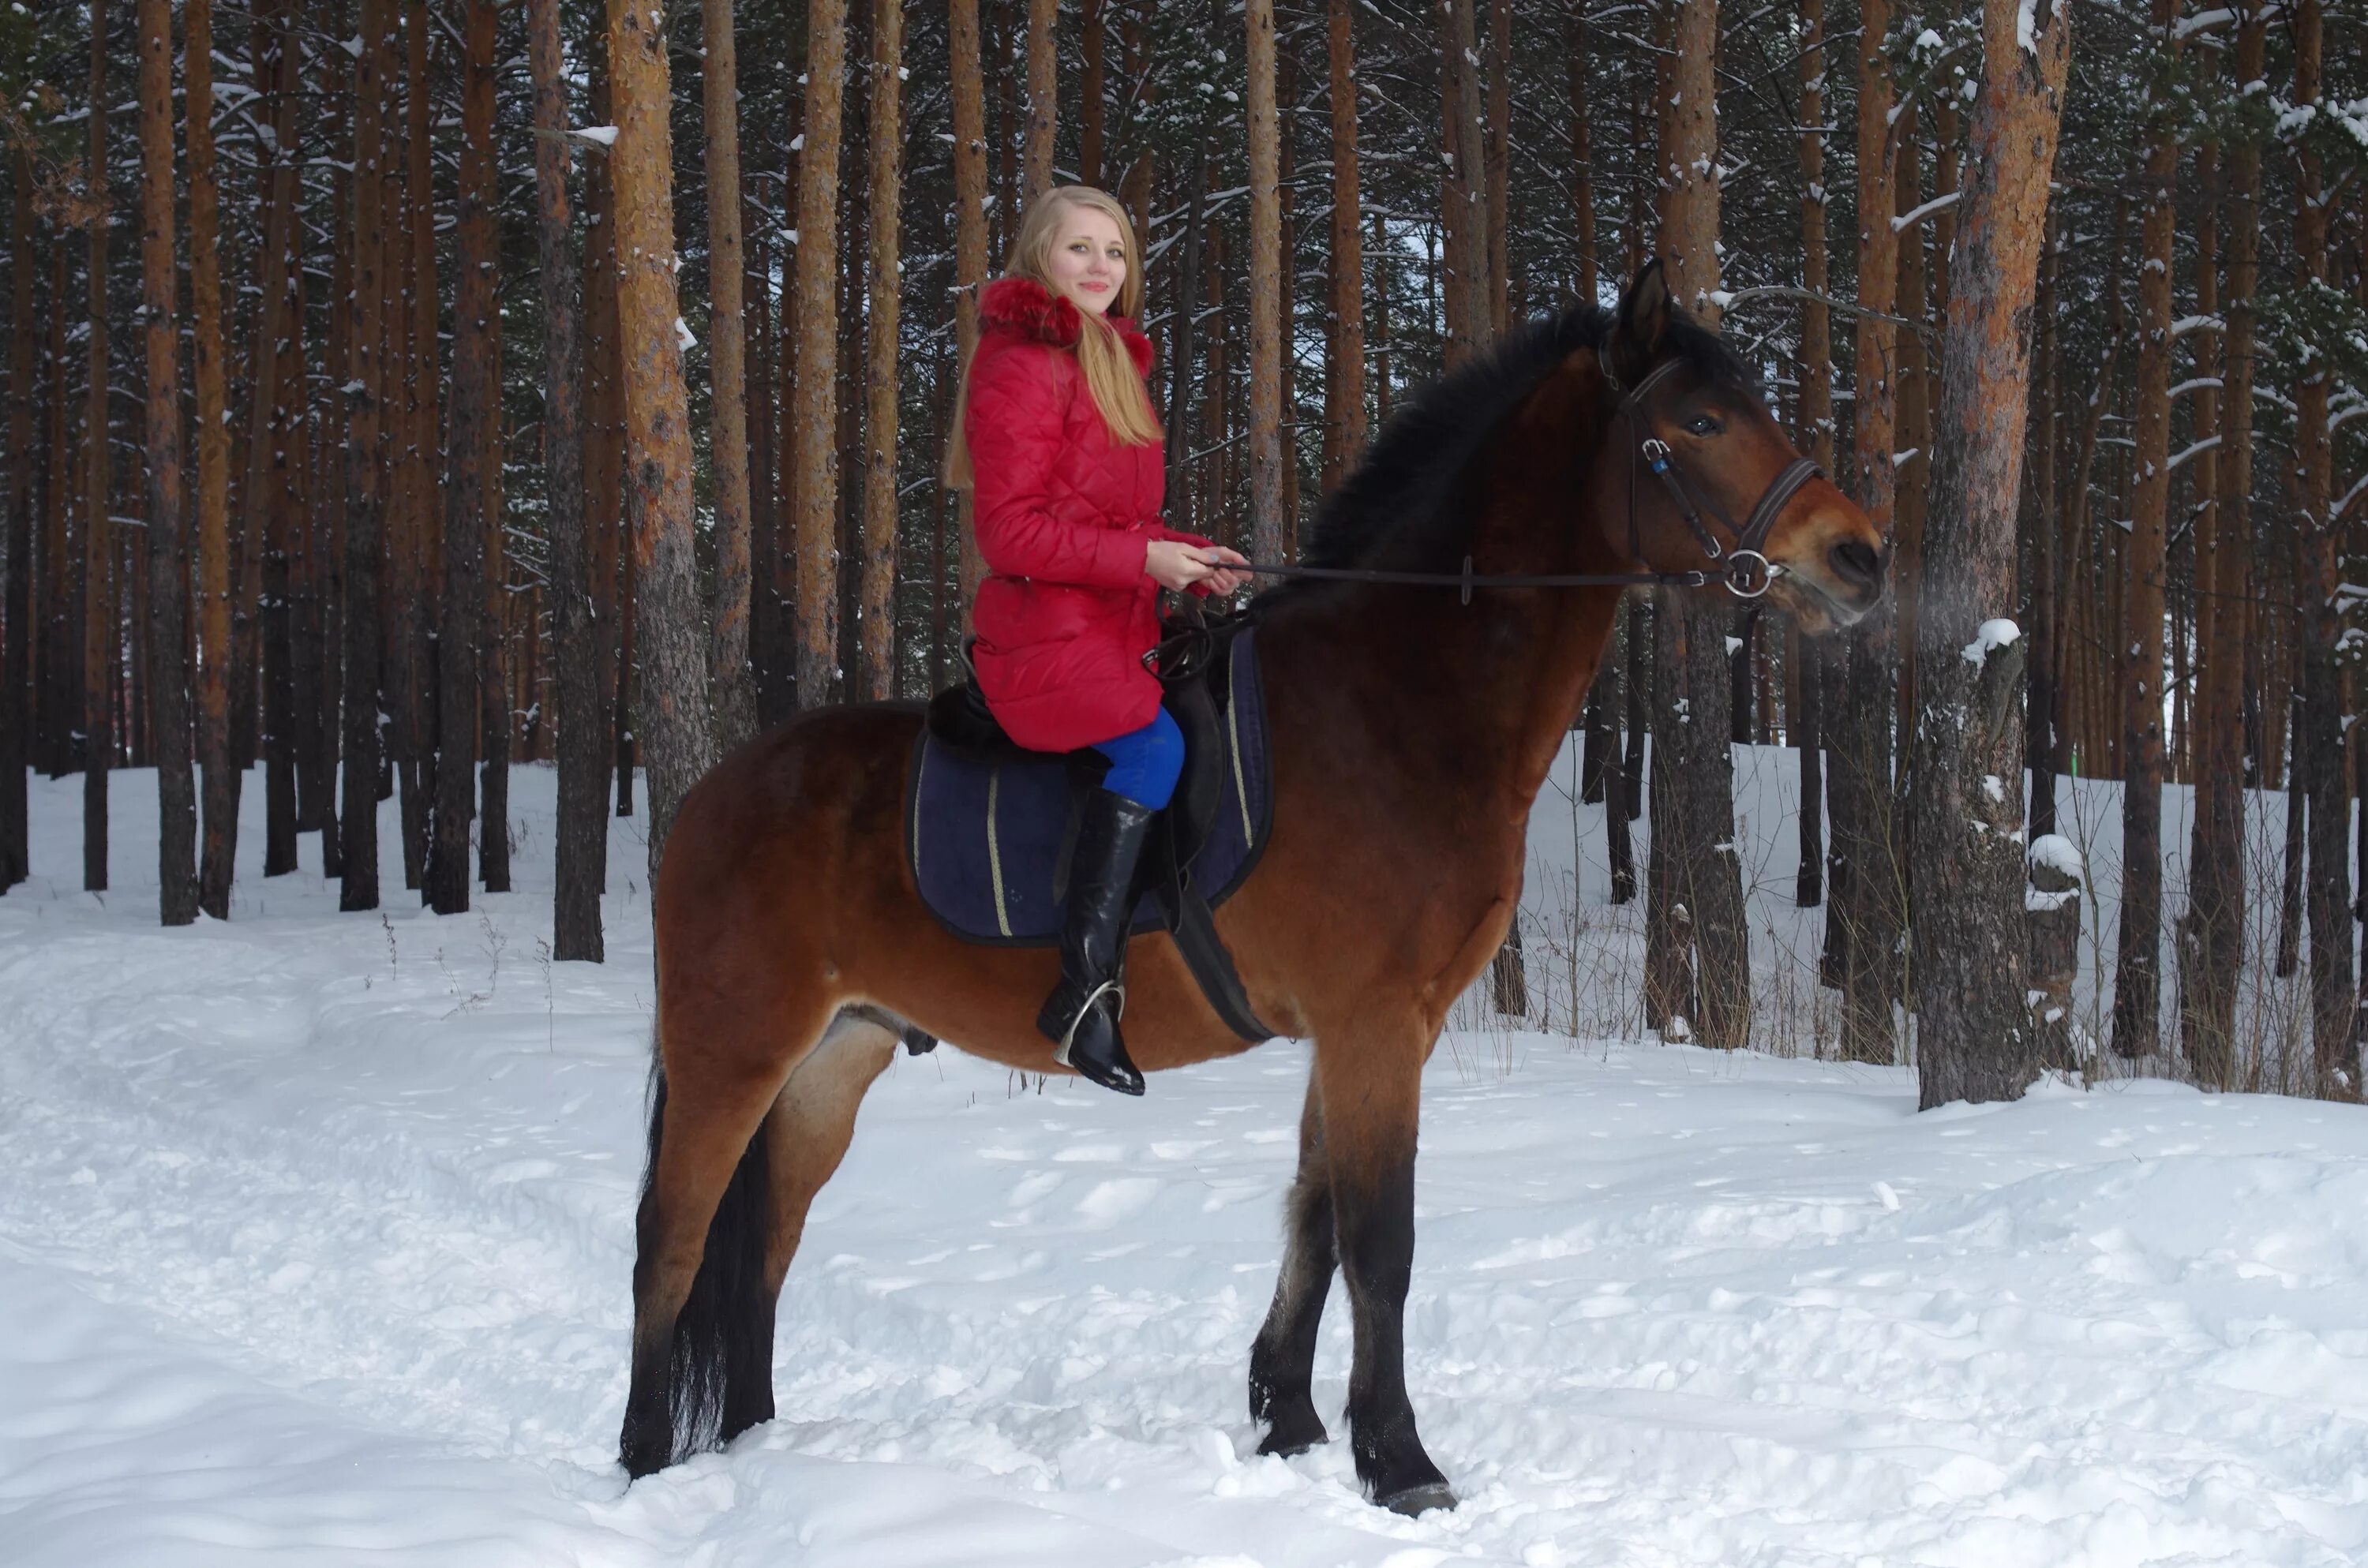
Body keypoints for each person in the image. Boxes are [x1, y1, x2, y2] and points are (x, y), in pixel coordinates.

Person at [944, 185, 1250, 1097]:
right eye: (1079, 248)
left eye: (1114, 253)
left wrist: (1190, 557)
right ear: (1041, 254)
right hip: (1042, 637)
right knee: (1152, 750)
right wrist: (1149, 560)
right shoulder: (1020, 367)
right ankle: (1082, 992)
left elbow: (1115, 519)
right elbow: (1011, 536)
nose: (1099, 268)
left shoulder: (1108, 359)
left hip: (1114, 624)